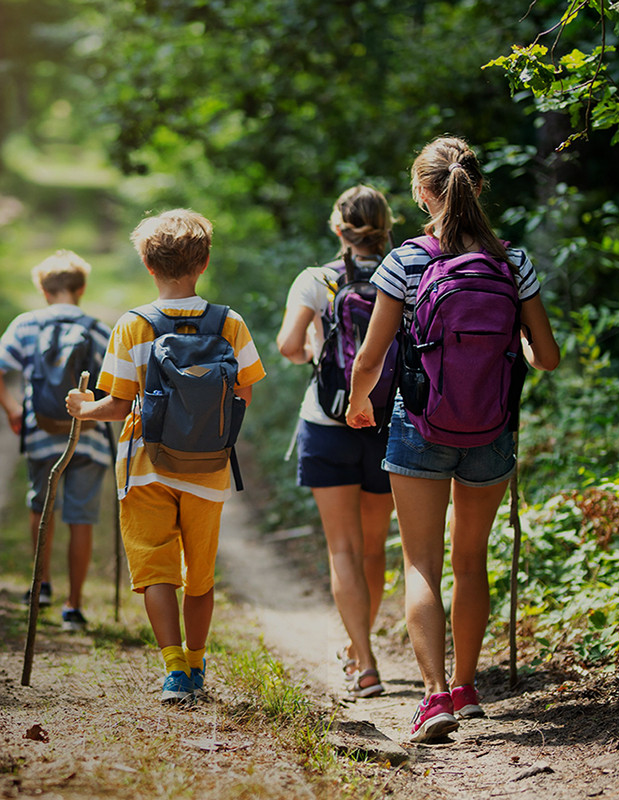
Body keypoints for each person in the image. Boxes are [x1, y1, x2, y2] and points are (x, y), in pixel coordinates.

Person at [346, 136, 561, 743]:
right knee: (472, 560)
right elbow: (547, 356)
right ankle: (468, 689)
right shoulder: (513, 263)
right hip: (491, 429)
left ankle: (433, 697)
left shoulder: (406, 261)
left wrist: (361, 405)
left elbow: (370, 357)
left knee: (421, 563)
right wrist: (502, 351)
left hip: (419, 424)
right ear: (477, 185)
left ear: (420, 192)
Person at [67, 209, 265, 702]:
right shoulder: (230, 322)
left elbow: (116, 404)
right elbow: (244, 392)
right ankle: (199, 665)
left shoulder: (133, 325)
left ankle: (174, 669)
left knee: (157, 569)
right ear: (204, 262)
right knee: (200, 575)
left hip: (145, 467)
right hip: (209, 468)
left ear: (147, 265)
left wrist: (82, 409)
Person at [275, 186, 397, 698]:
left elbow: (288, 347)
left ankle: (364, 662)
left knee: (342, 548)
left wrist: (315, 353)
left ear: (338, 228)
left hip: (327, 423)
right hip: (388, 422)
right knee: (373, 550)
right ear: (386, 225)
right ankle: (358, 648)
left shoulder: (316, 279)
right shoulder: (404, 273)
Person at [0, 250, 113, 632]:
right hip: (88, 437)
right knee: (82, 517)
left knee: (42, 507)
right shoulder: (99, 329)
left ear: (42, 289)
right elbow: (119, 386)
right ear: (82, 288)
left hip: (40, 433)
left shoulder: (25, 326)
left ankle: (40, 586)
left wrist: (12, 410)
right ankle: (74, 606)